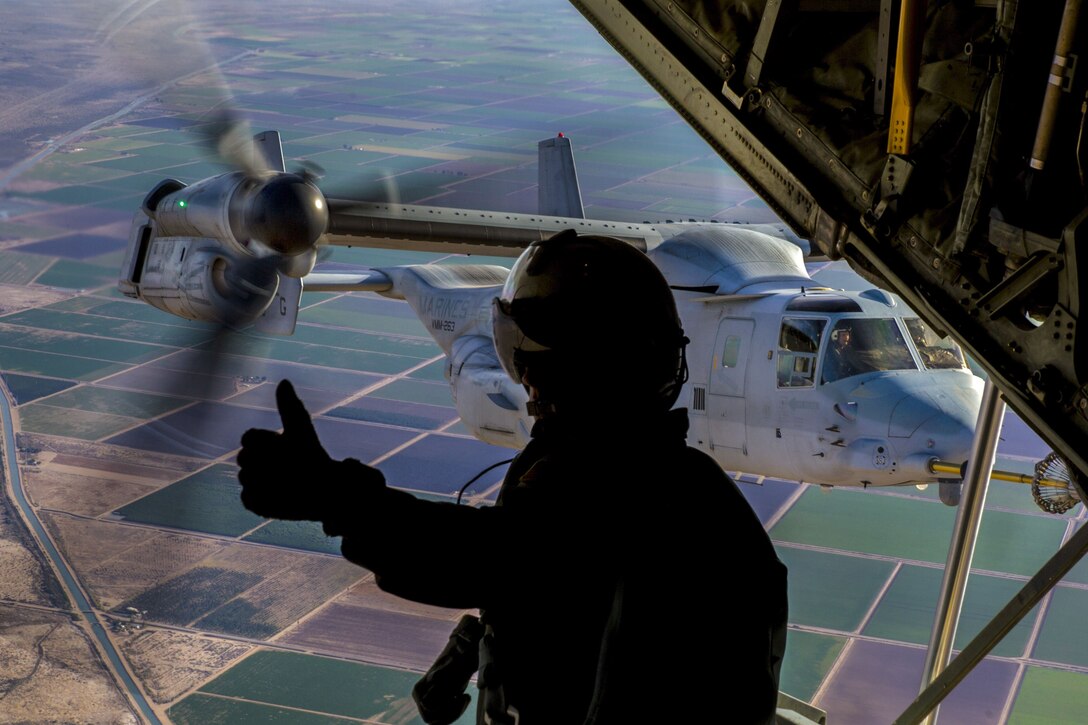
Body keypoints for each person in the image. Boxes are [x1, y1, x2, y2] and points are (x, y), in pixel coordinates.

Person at [237, 230, 788, 724]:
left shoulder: (619, 491)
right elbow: (540, 585)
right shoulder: (680, 481)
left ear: (588, 370)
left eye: (535, 358)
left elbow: (495, 558)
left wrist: (336, 496)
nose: (523, 377)